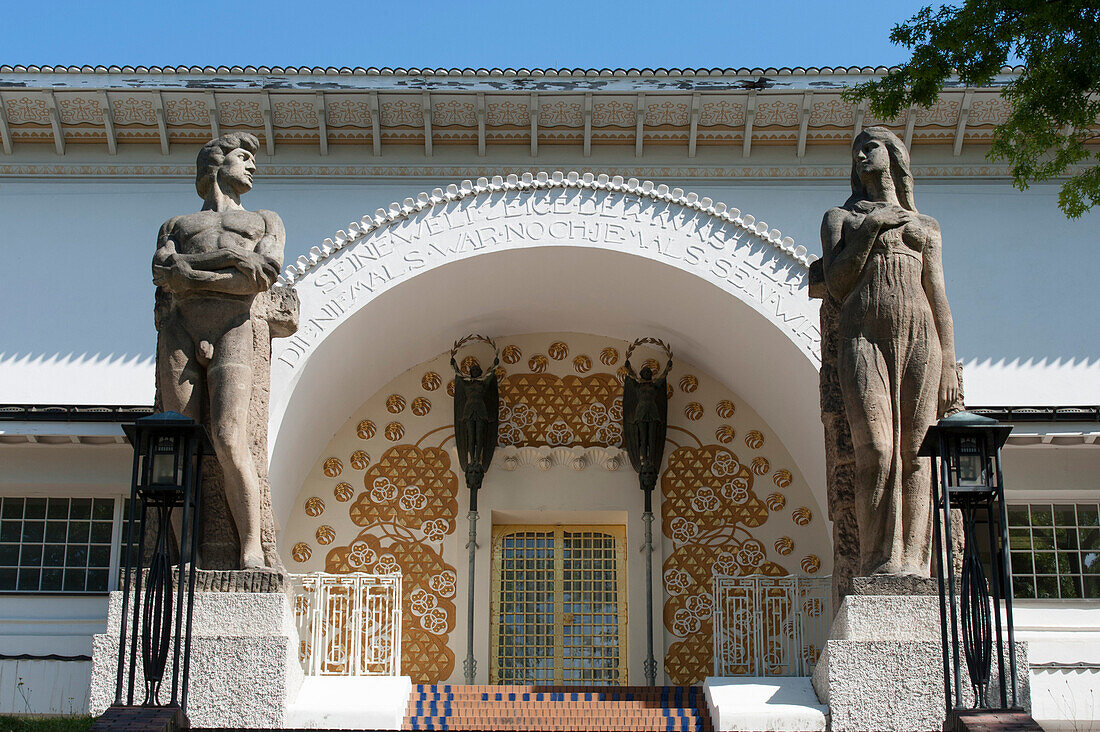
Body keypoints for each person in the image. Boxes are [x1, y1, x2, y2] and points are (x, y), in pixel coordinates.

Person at [821, 127, 959, 577]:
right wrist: (870, 230)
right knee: (877, 450)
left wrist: (950, 364)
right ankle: (877, 560)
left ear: (894, 156)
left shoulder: (927, 226)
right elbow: (838, 284)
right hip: (863, 335)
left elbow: (938, 294)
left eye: (870, 147)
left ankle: (915, 564)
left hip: (922, 339)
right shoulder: (841, 219)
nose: (861, 156)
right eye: (856, 151)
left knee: (918, 453)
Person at [152, 132, 285, 570]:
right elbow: (163, 273)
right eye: (243, 157)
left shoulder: (266, 220)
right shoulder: (175, 225)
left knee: (230, 438)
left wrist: (192, 274)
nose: (253, 166)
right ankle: (185, 550)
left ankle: (250, 546)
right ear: (217, 162)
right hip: (181, 329)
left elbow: (260, 276)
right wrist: (231, 259)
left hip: (234, 327)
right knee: (177, 441)